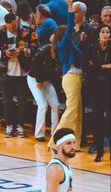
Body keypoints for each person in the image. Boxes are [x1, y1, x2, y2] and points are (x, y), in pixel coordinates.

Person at [48, 0, 83, 152]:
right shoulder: (64, 44)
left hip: (74, 78)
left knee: (78, 113)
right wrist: (70, 9)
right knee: (71, 111)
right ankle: (55, 142)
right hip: (71, 77)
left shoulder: (67, 46)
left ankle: (77, 143)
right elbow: (70, 28)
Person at [84, 24, 111, 161]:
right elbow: (88, 68)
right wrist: (104, 66)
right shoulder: (91, 48)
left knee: (109, 118)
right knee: (97, 119)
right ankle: (99, 150)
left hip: (109, 88)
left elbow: (93, 66)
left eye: (107, 32)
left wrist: (96, 66)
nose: (105, 34)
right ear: (98, 34)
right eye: (103, 32)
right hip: (95, 88)